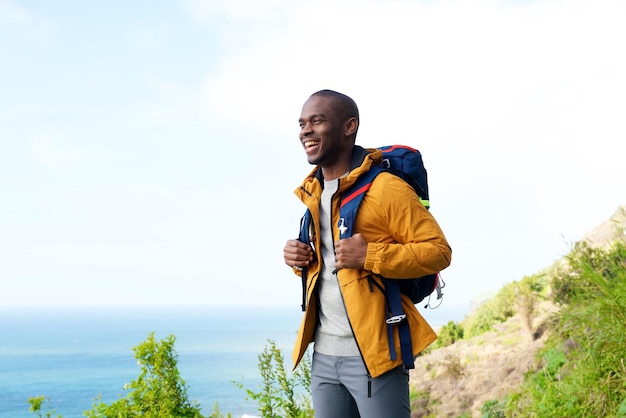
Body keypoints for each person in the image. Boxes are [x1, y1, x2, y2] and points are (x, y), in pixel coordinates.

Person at [283, 89, 452, 418]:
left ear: (349, 126)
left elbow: (438, 252)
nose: (305, 130)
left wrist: (370, 255)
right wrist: (300, 260)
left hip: (375, 353)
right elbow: (333, 268)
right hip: (323, 357)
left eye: (317, 121)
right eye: (302, 123)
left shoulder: (386, 188)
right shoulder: (313, 194)